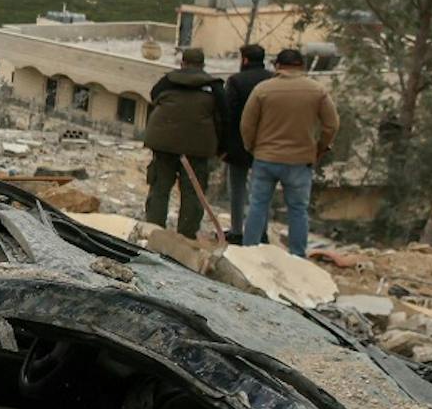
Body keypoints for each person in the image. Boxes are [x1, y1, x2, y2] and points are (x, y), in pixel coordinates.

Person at [239, 47, 339, 257]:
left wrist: (252, 147)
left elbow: (247, 125)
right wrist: (320, 148)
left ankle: (248, 253)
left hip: (266, 158)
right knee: (298, 210)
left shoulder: (262, 89)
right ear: (301, 66)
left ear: (277, 66)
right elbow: (331, 125)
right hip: (300, 161)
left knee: (257, 206)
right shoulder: (317, 90)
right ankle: (297, 256)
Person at [142, 46, 226, 237]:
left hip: (164, 143)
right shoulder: (214, 86)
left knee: (160, 187)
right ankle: (186, 236)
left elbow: (154, 96)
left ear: (183, 63)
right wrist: (221, 148)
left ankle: (153, 231)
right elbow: (224, 116)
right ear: (203, 65)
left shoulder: (168, 81)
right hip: (198, 148)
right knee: (193, 193)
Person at [220, 42, 272, 242]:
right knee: (261, 192)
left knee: (237, 189)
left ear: (245, 60)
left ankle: (236, 230)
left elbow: (228, 114)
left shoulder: (236, 81)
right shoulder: (272, 80)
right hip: (266, 144)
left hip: (238, 144)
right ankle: (262, 232)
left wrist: (224, 146)